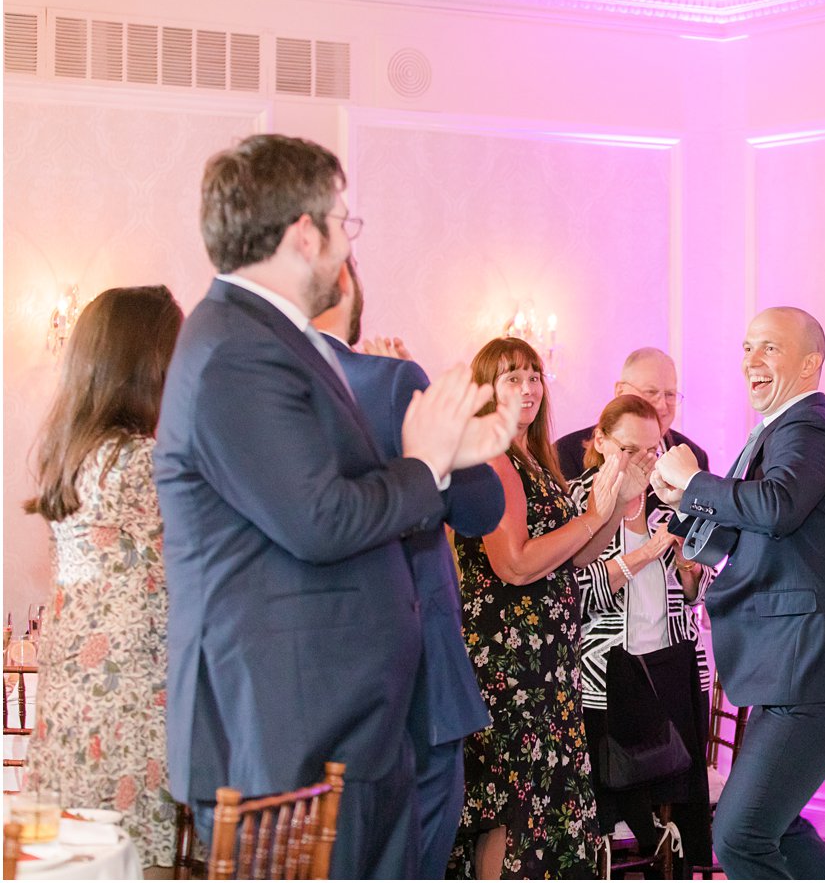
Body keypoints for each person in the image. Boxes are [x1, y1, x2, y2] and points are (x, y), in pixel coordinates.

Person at [154, 134, 514, 878]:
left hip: (335, 721)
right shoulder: (235, 350)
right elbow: (319, 519)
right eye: (342, 222)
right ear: (302, 233)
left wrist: (440, 458)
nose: (348, 243)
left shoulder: (270, 342)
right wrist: (421, 462)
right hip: (286, 730)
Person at [651, 306, 825, 880]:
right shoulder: (778, 433)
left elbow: (779, 507)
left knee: (739, 835)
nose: (751, 362)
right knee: (772, 829)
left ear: (811, 364)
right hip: (793, 665)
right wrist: (676, 499)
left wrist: (695, 482)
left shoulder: (808, 427)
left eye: (769, 349)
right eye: (746, 348)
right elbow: (734, 537)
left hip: (820, 669)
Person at [312, 260, 507, 878]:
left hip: (299, 688)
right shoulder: (392, 384)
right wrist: (440, 456)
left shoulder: (241, 391)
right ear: (347, 295)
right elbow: (481, 509)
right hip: (413, 681)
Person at [449, 338, 650, 879]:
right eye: (512, 377)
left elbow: (573, 555)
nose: (528, 387)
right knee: (509, 809)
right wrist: (592, 517)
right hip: (510, 666)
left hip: (548, 665)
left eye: (533, 375)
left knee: (538, 810)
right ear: (486, 390)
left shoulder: (532, 459)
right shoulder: (491, 460)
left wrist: (613, 503)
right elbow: (513, 564)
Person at [22, 286, 183, 868]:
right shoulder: (137, 462)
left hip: (73, 697)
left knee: (69, 858)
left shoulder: (76, 453)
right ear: (149, 365)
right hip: (124, 707)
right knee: (131, 860)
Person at [568, 394, 715, 873]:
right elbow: (574, 599)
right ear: (600, 442)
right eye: (630, 449)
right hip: (604, 684)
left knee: (674, 809)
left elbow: (693, 598)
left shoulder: (670, 502)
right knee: (609, 810)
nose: (645, 461)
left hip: (669, 673)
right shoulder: (577, 501)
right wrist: (643, 555)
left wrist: (692, 575)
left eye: (653, 450)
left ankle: (666, 861)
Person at [556, 347, 709, 483]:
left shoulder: (693, 455)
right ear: (620, 391)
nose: (662, 405)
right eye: (651, 392)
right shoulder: (564, 453)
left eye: (669, 394)